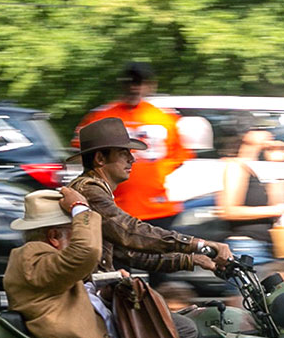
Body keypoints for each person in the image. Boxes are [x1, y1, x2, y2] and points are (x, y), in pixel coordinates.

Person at [4, 188, 223, 338]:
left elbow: (69, 289)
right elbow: (85, 253)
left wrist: (108, 292)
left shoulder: (45, 262)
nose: (88, 237)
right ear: (53, 236)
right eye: (76, 231)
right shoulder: (32, 256)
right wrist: (79, 208)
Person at [69, 117, 232, 276]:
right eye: (123, 153)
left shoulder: (95, 190)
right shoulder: (89, 190)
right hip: (84, 295)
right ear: (100, 159)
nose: (131, 159)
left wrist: (195, 260)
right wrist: (198, 244)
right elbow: (129, 231)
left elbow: (131, 255)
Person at [72, 62, 193, 230]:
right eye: (130, 82)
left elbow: (180, 155)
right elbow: (82, 153)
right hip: (113, 207)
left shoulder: (165, 117)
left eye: (140, 83)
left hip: (158, 209)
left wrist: (156, 174)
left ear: (150, 86)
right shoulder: (101, 116)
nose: (134, 88)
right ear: (122, 85)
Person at [217, 128, 284, 268]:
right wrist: (275, 210)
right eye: (262, 130)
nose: (270, 137)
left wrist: (277, 164)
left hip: (268, 246)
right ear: (248, 137)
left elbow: (278, 202)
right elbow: (228, 211)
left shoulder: (261, 169)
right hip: (246, 246)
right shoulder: (236, 167)